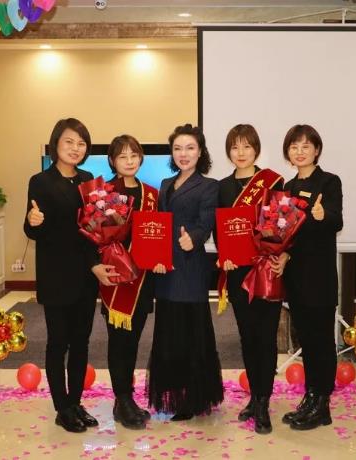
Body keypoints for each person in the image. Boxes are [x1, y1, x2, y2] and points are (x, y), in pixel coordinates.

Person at [24, 118, 100, 433]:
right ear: (56, 143)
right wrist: (33, 220)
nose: (75, 148)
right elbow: (31, 229)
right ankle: (62, 408)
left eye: (81, 143)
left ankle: (76, 402)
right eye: (69, 141)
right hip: (56, 275)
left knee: (81, 342)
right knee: (58, 343)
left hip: (86, 275)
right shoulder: (41, 181)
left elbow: (95, 227)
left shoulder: (88, 180)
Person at [147, 124, 224, 420]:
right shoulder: (166, 183)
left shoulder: (209, 186)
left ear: (200, 152)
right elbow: (159, 224)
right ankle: (174, 394)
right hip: (165, 268)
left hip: (191, 267)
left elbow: (207, 223)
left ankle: (193, 399)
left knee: (192, 333)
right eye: (178, 148)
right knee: (169, 332)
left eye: (190, 148)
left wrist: (194, 237)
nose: (184, 154)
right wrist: (154, 253)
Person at [270, 124, 343, 431]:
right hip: (297, 277)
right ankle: (311, 397)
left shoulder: (329, 182)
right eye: (294, 147)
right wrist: (282, 252)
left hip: (320, 277)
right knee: (307, 340)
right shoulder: (286, 188)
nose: (299, 152)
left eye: (305, 146)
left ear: (317, 150)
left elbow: (337, 221)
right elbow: (287, 235)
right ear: (288, 153)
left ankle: (322, 404)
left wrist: (324, 216)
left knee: (322, 341)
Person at [216, 124, 284, 434]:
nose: (241, 153)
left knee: (266, 337)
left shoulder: (273, 182)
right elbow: (220, 230)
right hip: (238, 272)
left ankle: (264, 402)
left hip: (266, 270)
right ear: (228, 151)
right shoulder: (222, 187)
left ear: (256, 149)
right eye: (235, 147)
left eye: (246, 146)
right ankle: (255, 397)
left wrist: (279, 252)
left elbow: (282, 223)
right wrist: (224, 254)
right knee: (247, 336)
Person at [91, 135, 158, 430]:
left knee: (133, 341)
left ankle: (126, 399)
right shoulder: (103, 193)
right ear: (112, 161)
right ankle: (122, 398)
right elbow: (92, 235)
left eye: (134, 155)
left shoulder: (152, 194)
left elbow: (156, 234)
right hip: (116, 278)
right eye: (122, 156)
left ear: (141, 158)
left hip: (142, 280)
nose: (129, 161)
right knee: (118, 341)